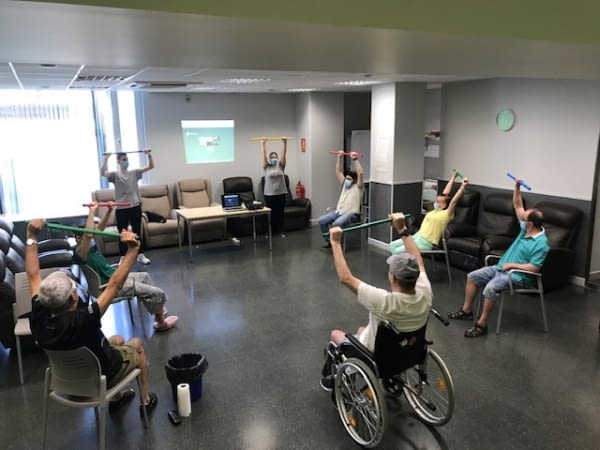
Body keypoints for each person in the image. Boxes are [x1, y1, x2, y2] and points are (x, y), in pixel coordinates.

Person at [27, 219, 158, 417]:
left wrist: (31, 237)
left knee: (118, 340)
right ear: (73, 297)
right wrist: (133, 250)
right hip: (100, 377)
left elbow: (32, 274)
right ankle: (146, 401)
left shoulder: (39, 315)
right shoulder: (83, 319)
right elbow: (113, 286)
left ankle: (117, 398)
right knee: (137, 345)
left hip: (66, 380)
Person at [320, 213, 433, 391]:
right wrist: (402, 229)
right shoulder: (425, 291)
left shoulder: (384, 301)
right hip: (409, 351)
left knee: (336, 335)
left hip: (378, 356)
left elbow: (345, 278)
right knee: (361, 330)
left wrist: (335, 243)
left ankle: (335, 377)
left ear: (392, 278)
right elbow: (418, 260)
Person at [447, 179, 550, 338]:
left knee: (490, 288)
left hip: (519, 277)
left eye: (524, 217)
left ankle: (482, 325)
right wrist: (516, 187)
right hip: (502, 268)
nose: (521, 217)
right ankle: (467, 311)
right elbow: (517, 205)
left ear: (530, 223)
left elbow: (534, 268)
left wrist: (512, 265)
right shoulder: (525, 230)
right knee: (472, 277)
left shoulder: (541, 244)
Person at [73, 203, 179, 332]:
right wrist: (91, 211)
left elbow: (99, 229)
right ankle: (161, 323)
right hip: (108, 287)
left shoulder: (90, 247)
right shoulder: (80, 253)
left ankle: (157, 308)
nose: (92, 237)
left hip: (114, 277)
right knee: (158, 293)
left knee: (145, 276)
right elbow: (89, 235)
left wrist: (109, 210)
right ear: (79, 238)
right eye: (87, 237)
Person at [389, 171, 468, 254]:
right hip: (416, 237)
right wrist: (453, 177)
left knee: (397, 251)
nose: (442, 195)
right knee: (392, 246)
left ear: (447, 201)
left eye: (444, 196)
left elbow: (454, 201)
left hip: (425, 242)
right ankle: (410, 261)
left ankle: (412, 263)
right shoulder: (436, 209)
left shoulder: (447, 213)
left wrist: (463, 186)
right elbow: (446, 192)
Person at [100, 149, 154, 265]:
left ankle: (140, 255)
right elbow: (103, 173)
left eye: (127, 159)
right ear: (118, 161)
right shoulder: (115, 175)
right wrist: (106, 159)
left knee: (137, 232)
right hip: (121, 209)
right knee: (122, 234)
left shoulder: (134, 172)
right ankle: (123, 257)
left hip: (134, 206)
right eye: (124, 160)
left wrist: (149, 155)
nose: (126, 161)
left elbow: (151, 166)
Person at [318, 151, 364, 249]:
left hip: (352, 214)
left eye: (349, 179)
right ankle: (330, 241)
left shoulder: (359, 187)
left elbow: (360, 173)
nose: (347, 180)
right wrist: (339, 157)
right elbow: (338, 171)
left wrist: (355, 159)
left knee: (337, 223)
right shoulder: (344, 185)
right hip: (338, 212)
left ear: (354, 180)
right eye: (346, 178)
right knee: (322, 221)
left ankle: (337, 243)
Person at [262, 137, 288, 238]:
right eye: (272, 157)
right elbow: (263, 154)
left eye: (275, 157)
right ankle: (269, 232)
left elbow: (283, 153)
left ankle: (281, 231)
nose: (273, 158)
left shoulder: (281, 166)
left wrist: (284, 142)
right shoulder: (266, 167)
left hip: (281, 193)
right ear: (269, 159)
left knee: (280, 214)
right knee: (270, 214)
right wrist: (263, 143)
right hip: (269, 194)